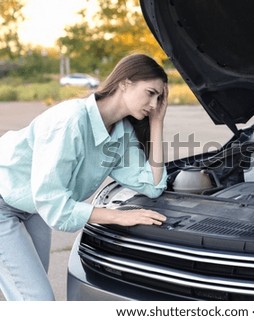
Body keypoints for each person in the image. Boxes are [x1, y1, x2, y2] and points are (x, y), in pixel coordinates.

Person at [0, 54, 169, 300]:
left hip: (34, 207)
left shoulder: (122, 132)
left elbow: (153, 186)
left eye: (159, 98)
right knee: (38, 300)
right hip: (5, 200)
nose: (154, 104)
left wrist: (157, 122)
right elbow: (56, 207)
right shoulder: (70, 120)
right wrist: (118, 217)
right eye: (150, 93)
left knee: (29, 299)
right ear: (125, 83)